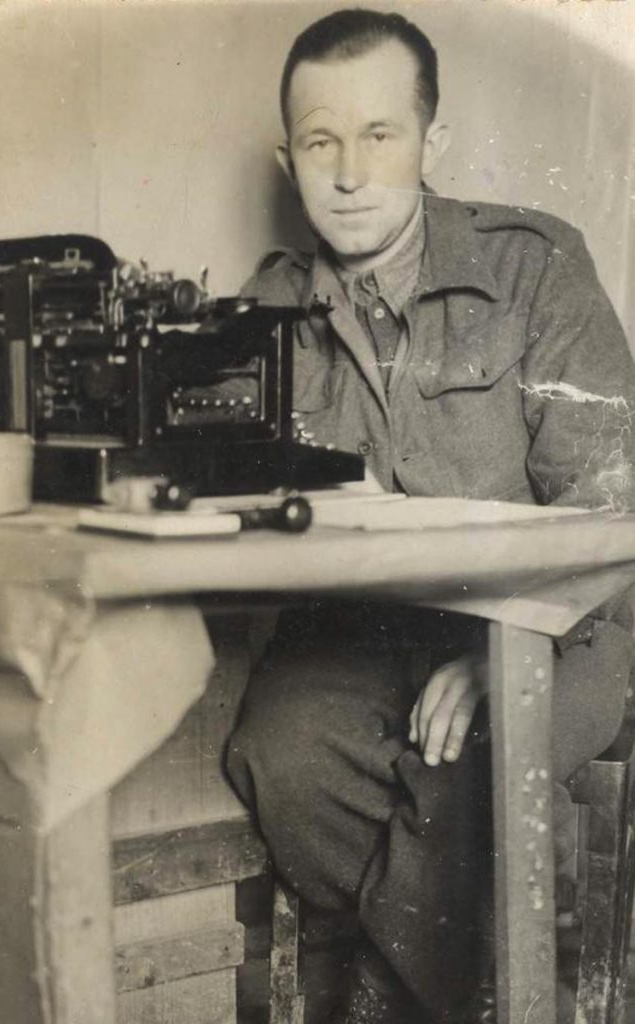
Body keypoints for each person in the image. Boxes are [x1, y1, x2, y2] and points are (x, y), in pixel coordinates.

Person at [226, 9, 635, 1023]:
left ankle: (374, 998)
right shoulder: (264, 313)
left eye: (380, 134)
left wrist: (511, 647)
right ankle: (434, 985)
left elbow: (612, 499)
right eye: (320, 141)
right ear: (287, 160)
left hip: (566, 626)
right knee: (280, 752)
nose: (349, 173)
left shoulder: (534, 265)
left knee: (475, 769)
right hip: (361, 639)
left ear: (429, 141)